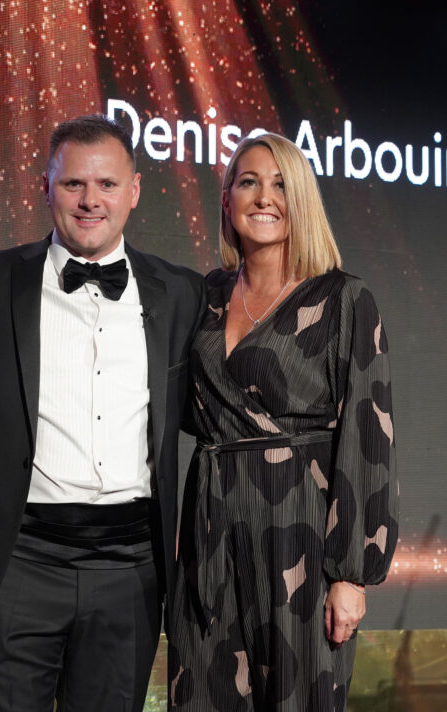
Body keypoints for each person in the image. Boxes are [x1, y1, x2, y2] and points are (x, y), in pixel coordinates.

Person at [0, 114, 206, 711]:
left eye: (107, 185)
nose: (90, 201)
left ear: (134, 192)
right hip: (15, 562)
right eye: (73, 185)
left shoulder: (182, 292)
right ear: (46, 188)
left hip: (132, 570)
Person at [167, 132, 398, 711]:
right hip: (211, 533)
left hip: (301, 534)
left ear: (301, 201)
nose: (264, 197)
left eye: (280, 184)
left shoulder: (344, 297)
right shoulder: (205, 297)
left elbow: (368, 435)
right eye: (248, 182)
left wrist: (351, 574)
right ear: (226, 200)